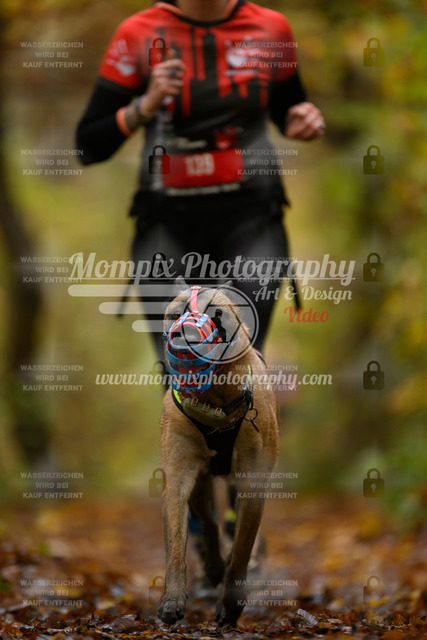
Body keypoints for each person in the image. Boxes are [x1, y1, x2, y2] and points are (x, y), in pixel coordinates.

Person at [76, 0, 325, 572]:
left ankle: (241, 518)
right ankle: (197, 517)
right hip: (167, 225)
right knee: (183, 371)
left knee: (242, 364)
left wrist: (302, 120)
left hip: (251, 220)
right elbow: (87, 145)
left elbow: (290, 110)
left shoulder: (270, 27)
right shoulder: (138, 33)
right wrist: (142, 106)